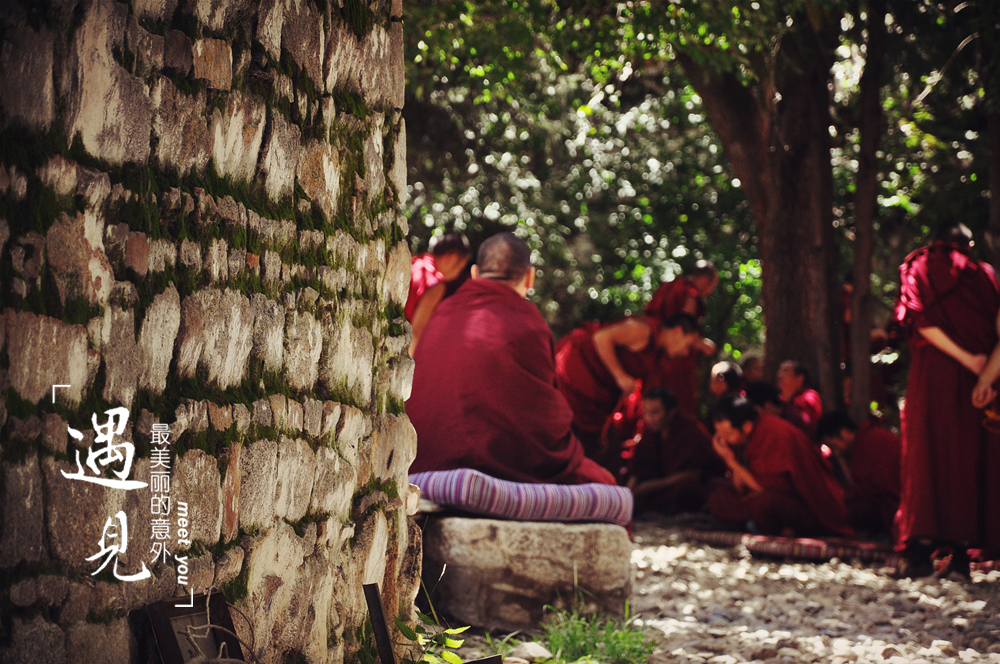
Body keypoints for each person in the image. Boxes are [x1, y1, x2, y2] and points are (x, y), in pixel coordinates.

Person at [407, 232, 614, 485]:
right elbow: (543, 416)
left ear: (474, 273)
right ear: (530, 278)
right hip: (491, 465)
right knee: (607, 485)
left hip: (423, 459)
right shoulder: (529, 323)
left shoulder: (443, 311)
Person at [894, 222, 1000, 576]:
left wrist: (966, 359)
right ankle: (960, 555)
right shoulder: (984, 274)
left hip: (934, 373)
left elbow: (921, 321)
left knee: (927, 456)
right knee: (965, 459)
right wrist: (980, 369)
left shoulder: (921, 265)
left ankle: (920, 553)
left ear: (937, 242)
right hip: (976, 377)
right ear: (968, 245)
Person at [555, 311, 702, 457]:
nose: (685, 353)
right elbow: (601, 338)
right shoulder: (643, 330)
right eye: (688, 346)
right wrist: (620, 375)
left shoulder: (657, 350)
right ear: (677, 332)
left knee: (598, 451)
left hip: (595, 399)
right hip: (575, 379)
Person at [707, 395, 854, 537]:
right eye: (719, 433)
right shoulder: (747, 436)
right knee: (718, 493)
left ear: (746, 426)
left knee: (765, 505)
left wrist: (730, 461)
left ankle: (776, 528)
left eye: (727, 434)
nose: (722, 439)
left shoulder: (772, 434)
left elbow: (762, 487)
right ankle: (754, 525)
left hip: (808, 507)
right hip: (764, 497)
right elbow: (741, 484)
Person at [621, 388, 724, 514]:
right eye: (646, 413)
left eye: (655, 413)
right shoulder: (651, 432)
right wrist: (628, 492)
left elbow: (694, 474)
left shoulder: (691, 431)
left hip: (682, 484)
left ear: (671, 411)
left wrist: (650, 486)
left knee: (686, 491)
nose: (649, 418)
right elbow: (639, 466)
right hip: (658, 485)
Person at [644, 261, 719, 417]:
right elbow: (685, 328)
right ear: (706, 280)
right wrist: (703, 344)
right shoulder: (690, 294)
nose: (711, 290)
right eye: (713, 285)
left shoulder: (669, 286)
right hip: (676, 361)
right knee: (677, 408)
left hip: (654, 354)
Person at [817, 411, 901, 536]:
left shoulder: (871, 443)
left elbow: (874, 490)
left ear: (844, 433)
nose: (835, 453)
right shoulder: (865, 441)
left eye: (832, 445)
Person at [405, 231, 472, 356]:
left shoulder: (413, 263)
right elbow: (417, 332)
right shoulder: (436, 285)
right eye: (460, 268)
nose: (457, 273)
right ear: (451, 259)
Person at [776, 360, 823, 440]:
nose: (780, 374)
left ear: (800, 378)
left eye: (785, 371)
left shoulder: (809, 398)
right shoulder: (778, 400)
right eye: (780, 370)